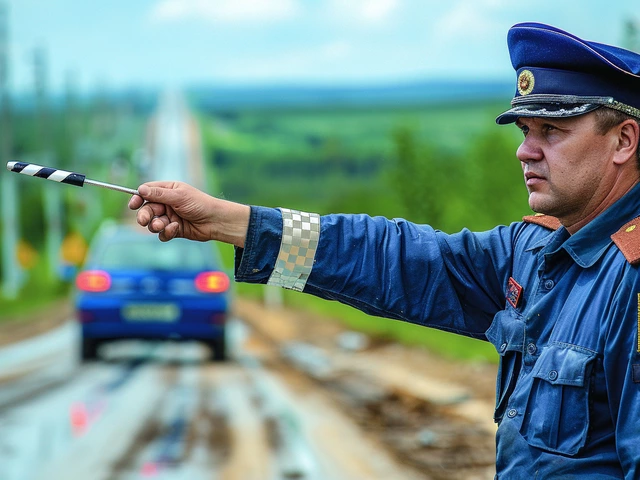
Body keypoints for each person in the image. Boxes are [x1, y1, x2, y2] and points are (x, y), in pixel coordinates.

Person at [128, 22, 640, 478]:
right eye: (527, 130)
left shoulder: (630, 279)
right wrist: (234, 224)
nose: (524, 150)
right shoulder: (535, 248)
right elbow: (391, 258)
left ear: (623, 141)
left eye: (552, 130)